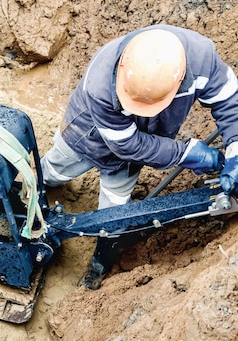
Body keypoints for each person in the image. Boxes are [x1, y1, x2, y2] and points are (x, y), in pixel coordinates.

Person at [41, 25, 238, 290]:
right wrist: (184, 153)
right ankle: (30, 193)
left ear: (179, 80)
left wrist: (236, 149)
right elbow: (128, 146)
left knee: (114, 213)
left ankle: (100, 263)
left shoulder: (202, 58)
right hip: (88, 131)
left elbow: (230, 102)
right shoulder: (101, 82)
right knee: (54, 169)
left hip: (141, 143)